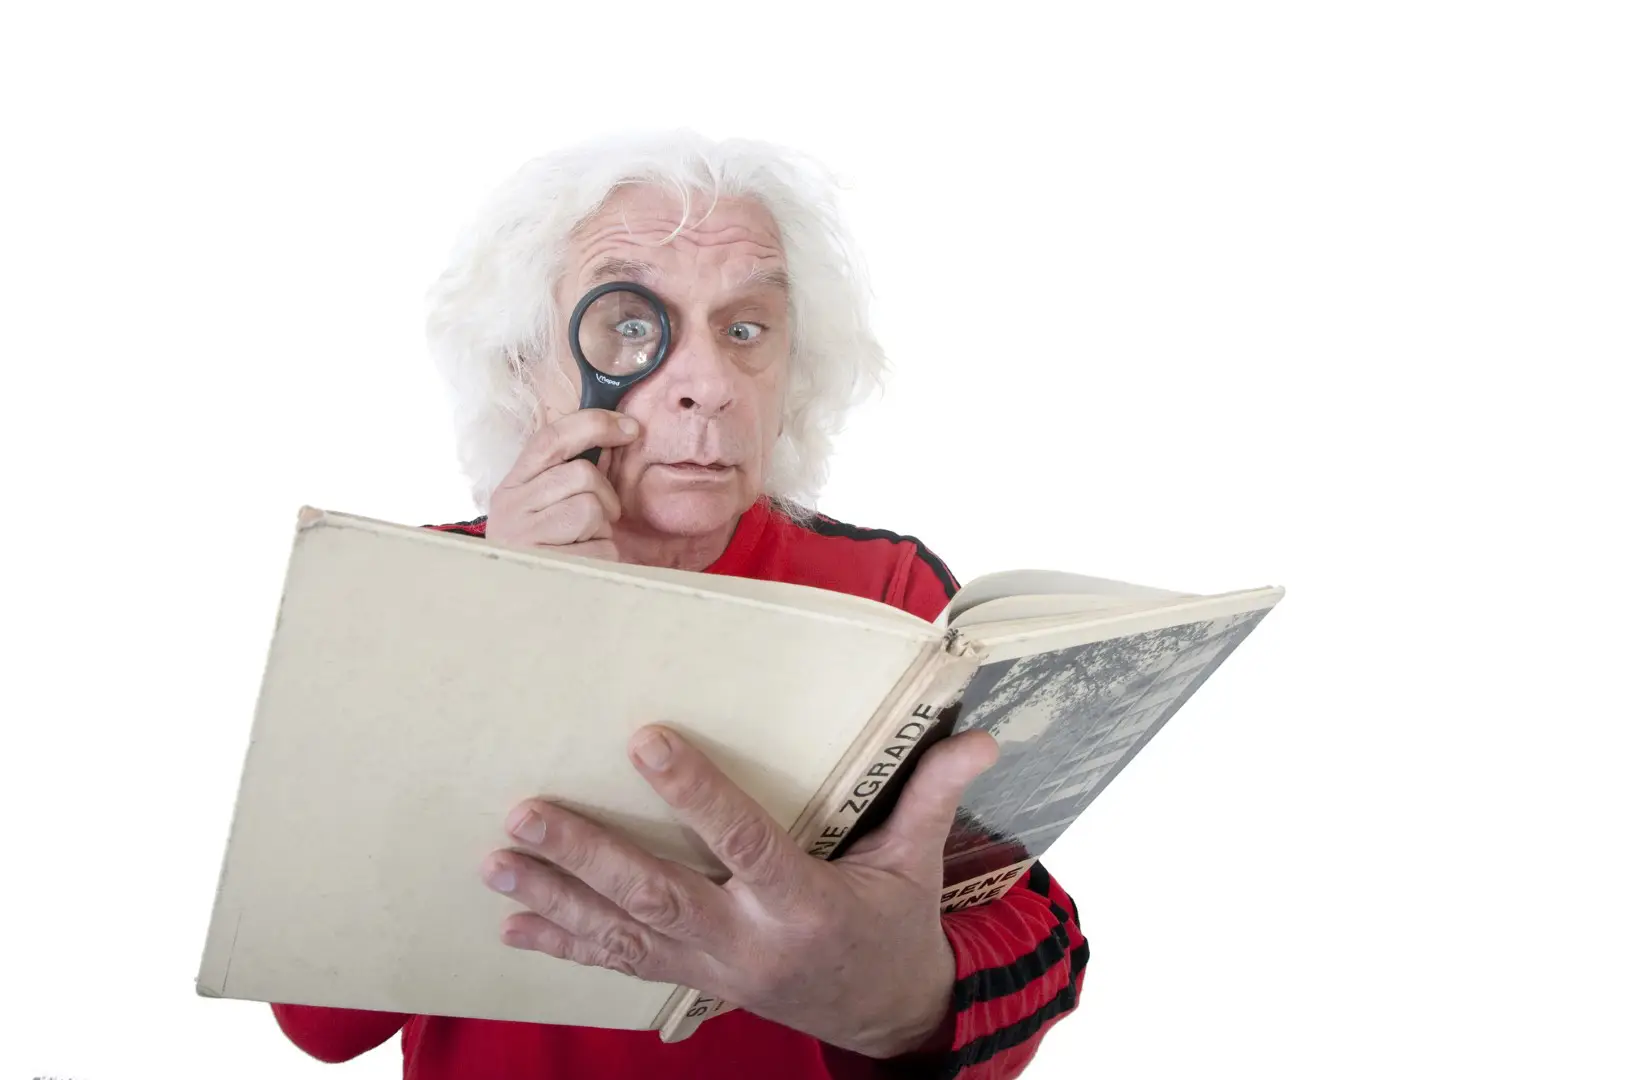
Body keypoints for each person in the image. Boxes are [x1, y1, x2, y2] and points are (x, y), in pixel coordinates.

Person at [269, 130, 1088, 1079]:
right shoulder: (405, 591)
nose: (707, 385)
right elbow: (321, 1020)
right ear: (526, 366)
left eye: (746, 330)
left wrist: (907, 1001)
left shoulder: (889, 593)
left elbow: (1037, 933)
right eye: (629, 325)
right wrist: (490, 622)